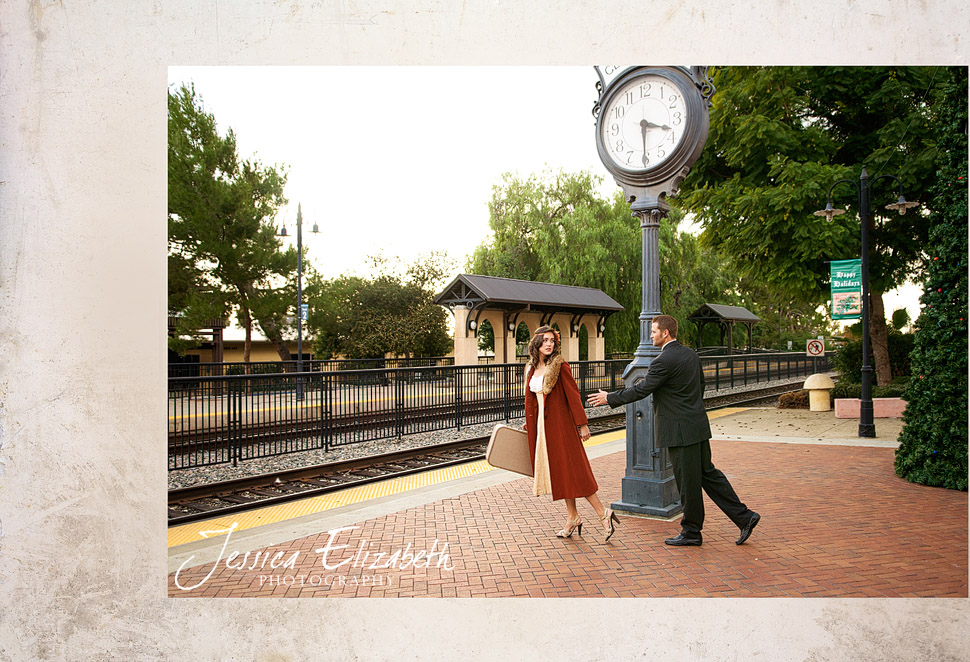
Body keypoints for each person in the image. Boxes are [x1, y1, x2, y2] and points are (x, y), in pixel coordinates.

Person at [587, 315, 760, 547]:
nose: (650, 335)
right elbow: (701, 387)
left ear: (665, 333)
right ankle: (745, 517)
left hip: (679, 431)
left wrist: (610, 398)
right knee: (709, 475)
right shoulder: (690, 355)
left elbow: (642, 389)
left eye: (653, 331)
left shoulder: (663, 361)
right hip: (696, 426)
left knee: (688, 483)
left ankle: (692, 532)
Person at [525, 325, 620, 541]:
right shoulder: (531, 368)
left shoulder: (560, 366)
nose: (549, 344)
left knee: (575, 471)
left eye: (552, 340)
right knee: (562, 473)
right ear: (536, 343)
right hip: (543, 428)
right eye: (545, 340)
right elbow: (533, 401)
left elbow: (573, 396)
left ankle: (602, 513)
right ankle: (572, 517)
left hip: (561, 427)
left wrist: (582, 424)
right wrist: (530, 422)